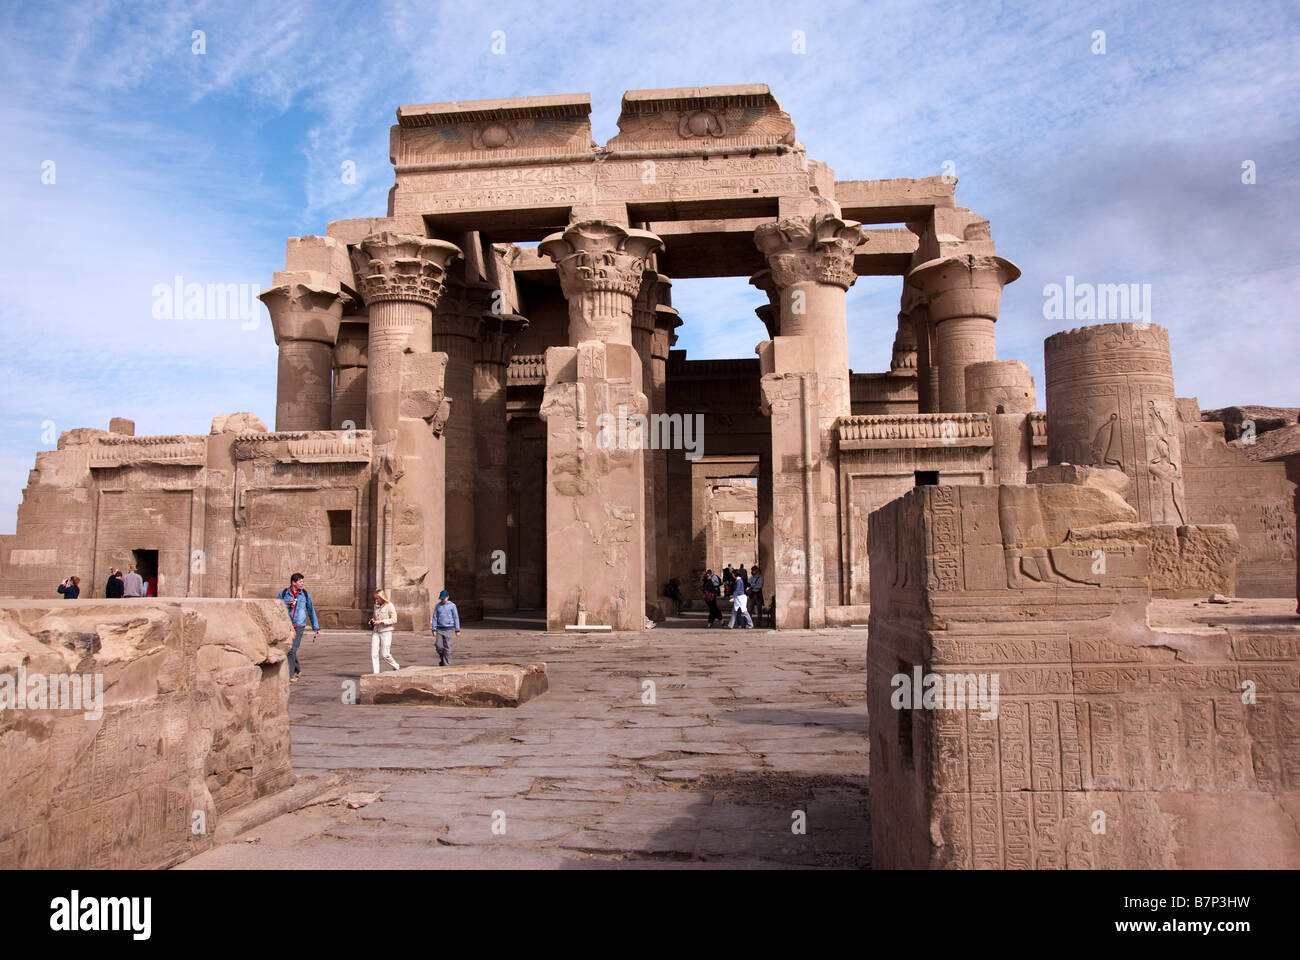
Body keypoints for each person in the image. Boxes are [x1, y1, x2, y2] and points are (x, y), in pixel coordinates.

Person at [277, 573, 319, 683]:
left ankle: (290, 675)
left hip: (299, 625)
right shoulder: (284, 593)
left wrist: (316, 627)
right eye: (300, 582)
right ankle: (297, 669)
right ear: (293, 583)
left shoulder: (304, 594)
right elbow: (276, 606)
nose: (302, 583)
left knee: (292, 650)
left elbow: (310, 610)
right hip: (287, 624)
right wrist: (286, 603)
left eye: (302, 581)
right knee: (288, 649)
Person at [368, 589, 400, 674]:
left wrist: (382, 621)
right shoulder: (376, 606)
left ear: (382, 598)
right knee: (374, 653)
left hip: (386, 631)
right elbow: (375, 617)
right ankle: (376, 673)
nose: (376, 600)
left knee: (385, 654)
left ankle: (395, 665)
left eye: (377, 598)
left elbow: (394, 619)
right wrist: (372, 621)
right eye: (375, 599)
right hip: (376, 631)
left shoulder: (389, 605)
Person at [431, 589, 460, 666]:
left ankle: (446, 664)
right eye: (441, 598)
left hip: (449, 629)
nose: (443, 600)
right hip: (439, 629)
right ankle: (443, 658)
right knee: (439, 646)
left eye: (444, 598)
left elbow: (456, 617)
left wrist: (457, 630)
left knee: (448, 647)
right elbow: (434, 617)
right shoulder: (438, 606)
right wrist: (433, 629)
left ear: (448, 597)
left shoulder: (452, 606)